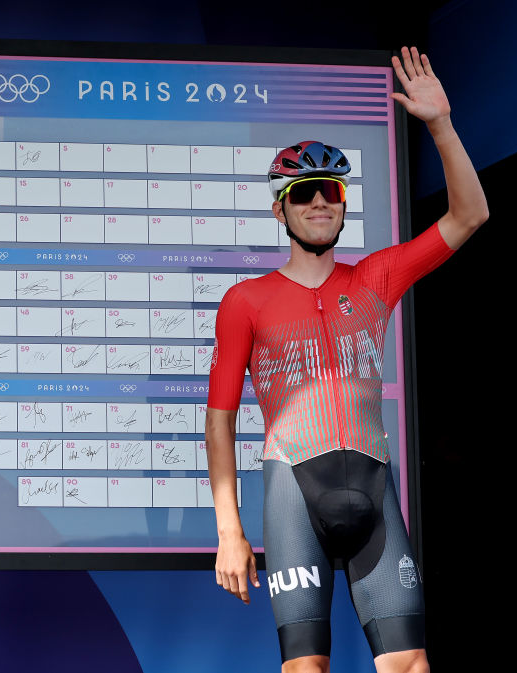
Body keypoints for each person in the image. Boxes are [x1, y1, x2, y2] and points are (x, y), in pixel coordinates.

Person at [205, 47, 488, 673]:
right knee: (306, 668)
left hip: (372, 485)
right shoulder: (245, 300)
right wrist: (230, 529)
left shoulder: (376, 278)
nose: (319, 203)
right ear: (280, 209)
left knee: (410, 663)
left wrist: (439, 124)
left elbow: (470, 215)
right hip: (292, 488)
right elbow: (219, 420)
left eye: (329, 190)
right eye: (303, 193)